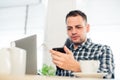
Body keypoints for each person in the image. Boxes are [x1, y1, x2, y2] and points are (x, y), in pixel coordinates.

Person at [50, 10, 115, 79]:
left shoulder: (103, 50)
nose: (73, 32)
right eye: (69, 28)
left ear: (87, 28)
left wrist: (78, 67)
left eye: (78, 27)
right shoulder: (65, 54)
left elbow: (108, 77)